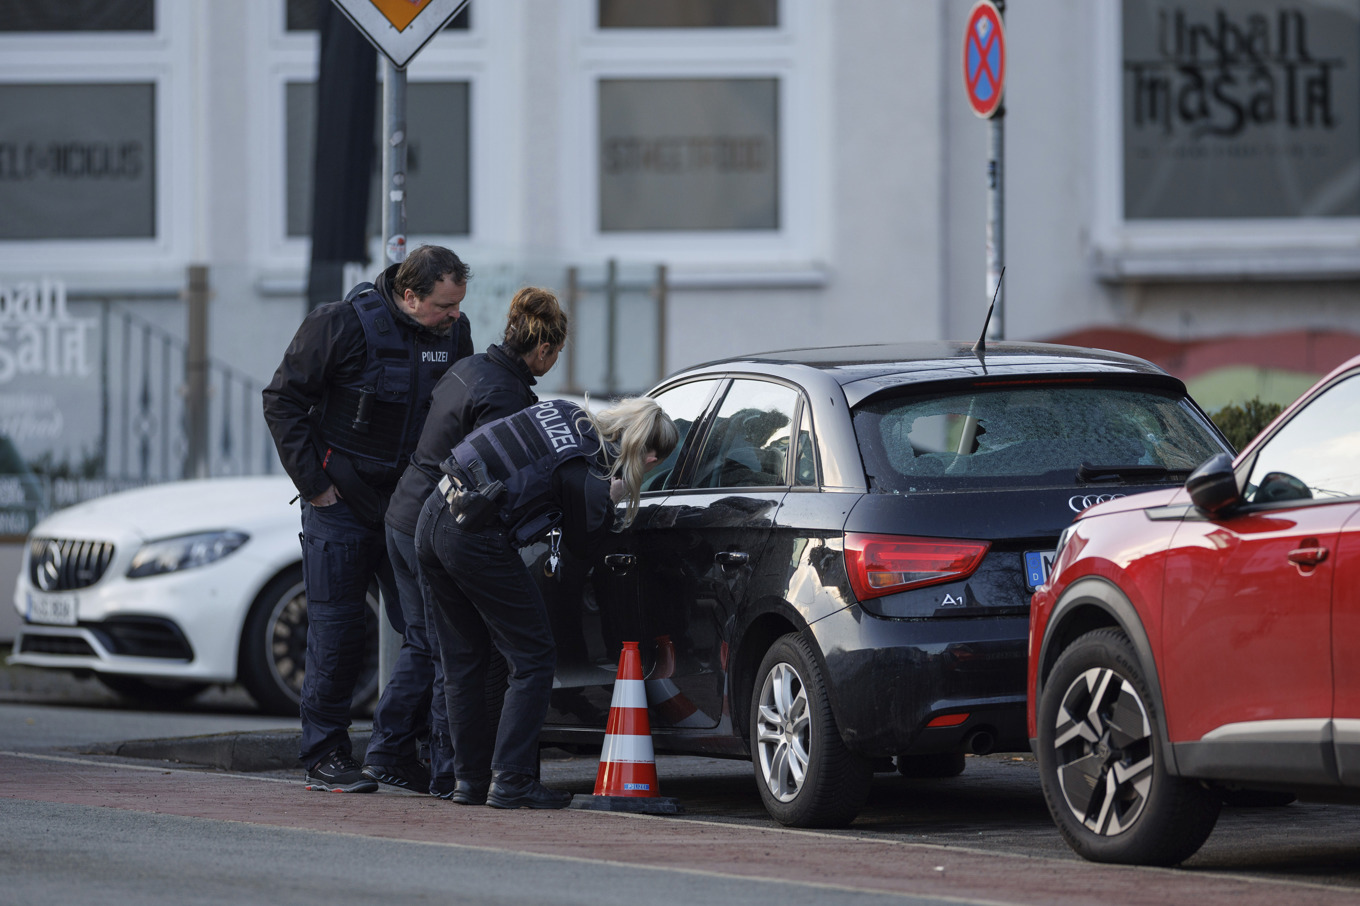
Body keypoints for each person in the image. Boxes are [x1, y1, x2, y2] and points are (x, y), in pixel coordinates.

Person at [262, 245, 473, 793]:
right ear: (409, 295)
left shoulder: (455, 333)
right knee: (336, 635)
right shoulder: (340, 323)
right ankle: (325, 757)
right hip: (342, 504)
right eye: (444, 307)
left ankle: (395, 752)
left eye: (458, 307)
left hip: (409, 507)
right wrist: (316, 487)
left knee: (430, 631)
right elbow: (281, 401)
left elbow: (466, 414)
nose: (454, 318)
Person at [416, 396, 678, 808]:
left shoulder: (567, 412)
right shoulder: (588, 470)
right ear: (647, 455)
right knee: (534, 655)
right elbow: (584, 542)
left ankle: (468, 780)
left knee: (463, 660)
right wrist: (612, 495)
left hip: (434, 514)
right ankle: (512, 781)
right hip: (474, 535)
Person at [361, 287, 569, 796]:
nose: (554, 361)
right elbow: (497, 477)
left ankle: (418, 760)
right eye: (556, 352)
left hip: (406, 516)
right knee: (452, 651)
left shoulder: (472, 367)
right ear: (543, 350)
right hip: (444, 524)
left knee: (434, 646)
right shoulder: (505, 396)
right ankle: (443, 769)